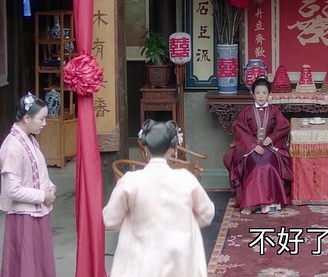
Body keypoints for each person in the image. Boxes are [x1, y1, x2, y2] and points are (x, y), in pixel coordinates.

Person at [104, 119, 214, 277]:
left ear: (145, 147)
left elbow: (110, 220)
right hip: (180, 261)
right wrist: (183, 223)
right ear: (173, 148)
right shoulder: (186, 179)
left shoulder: (130, 181)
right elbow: (207, 214)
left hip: (139, 262)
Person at [0, 93, 57, 277]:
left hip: (36, 211)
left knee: (39, 262)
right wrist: (43, 196)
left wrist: (50, 187)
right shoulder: (13, 146)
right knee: (27, 265)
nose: (44, 123)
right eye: (41, 119)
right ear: (27, 118)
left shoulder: (29, 138)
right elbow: (12, 189)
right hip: (23, 216)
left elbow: (38, 172)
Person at [223, 77, 293, 214]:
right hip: (250, 150)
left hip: (270, 149)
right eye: (258, 93)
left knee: (269, 166)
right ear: (253, 94)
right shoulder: (247, 112)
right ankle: (251, 203)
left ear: (268, 94)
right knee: (256, 165)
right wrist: (253, 146)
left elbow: (284, 127)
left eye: (264, 93)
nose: (261, 96)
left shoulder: (274, 111)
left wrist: (271, 138)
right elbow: (240, 131)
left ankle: (269, 202)